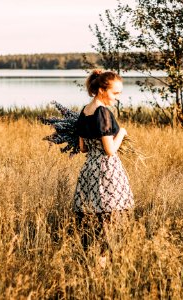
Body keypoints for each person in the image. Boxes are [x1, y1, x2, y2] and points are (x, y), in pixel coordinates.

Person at [73, 69, 134, 267]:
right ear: (101, 90)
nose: (117, 98)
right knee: (109, 219)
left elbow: (82, 148)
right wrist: (122, 133)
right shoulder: (102, 112)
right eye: (115, 93)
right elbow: (110, 150)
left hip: (89, 169)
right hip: (107, 171)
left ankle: (91, 260)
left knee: (93, 216)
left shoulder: (84, 111)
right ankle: (102, 262)